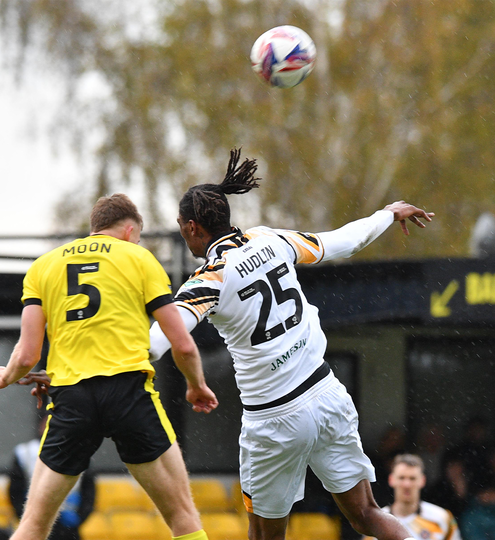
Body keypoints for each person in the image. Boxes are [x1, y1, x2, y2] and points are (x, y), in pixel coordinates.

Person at [147, 148, 434, 540]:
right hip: (327, 394)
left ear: (193, 228)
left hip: (274, 419)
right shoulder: (270, 239)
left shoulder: (208, 279)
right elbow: (343, 242)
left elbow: (161, 340)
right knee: (367, 513)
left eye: (182, 227)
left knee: (265, 536)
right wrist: (387, 214)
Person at [0, 194, 218, 540]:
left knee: (33, 524)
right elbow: (182, 344)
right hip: (129, 395)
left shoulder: (43, 267)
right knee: (182, 515)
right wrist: (196, 385)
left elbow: (27, 355)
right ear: (130, 230)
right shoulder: (139, 258)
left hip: (72, 401)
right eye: (136, 238)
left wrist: (6, 376)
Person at [8, 413, 95, 540]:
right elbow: (15, 490)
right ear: (40, 425)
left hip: (69, 526)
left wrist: (79, 517)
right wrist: (26, 518)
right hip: (35, 523)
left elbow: (89, 490)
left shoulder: (79, 450)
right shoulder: (24, 452)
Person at [361, 454, 460, 540]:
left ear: (422, 480)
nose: (407, 484)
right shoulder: (377, 522)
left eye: (412, 478)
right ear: (391, 479)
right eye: (401, 478)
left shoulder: (442, 518)